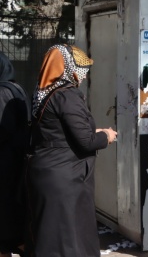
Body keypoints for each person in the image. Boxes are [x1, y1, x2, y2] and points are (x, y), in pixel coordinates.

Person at [25, 44, 118, 256]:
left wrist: (94, 130)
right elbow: (85, 141)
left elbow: (58, 130)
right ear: (67, 67)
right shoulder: (68, 95)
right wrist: (106, 136)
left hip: (46, 171)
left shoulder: (43, 93)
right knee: (69, 240)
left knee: (50, 237)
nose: (83, 75)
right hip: (65, 178)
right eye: (81, 68)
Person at [0, 52, 29, 257]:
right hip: (17, 157)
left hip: (5, 160)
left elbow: (3, 129)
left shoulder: (1, 92)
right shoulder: (16, 87)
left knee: (5, 213)